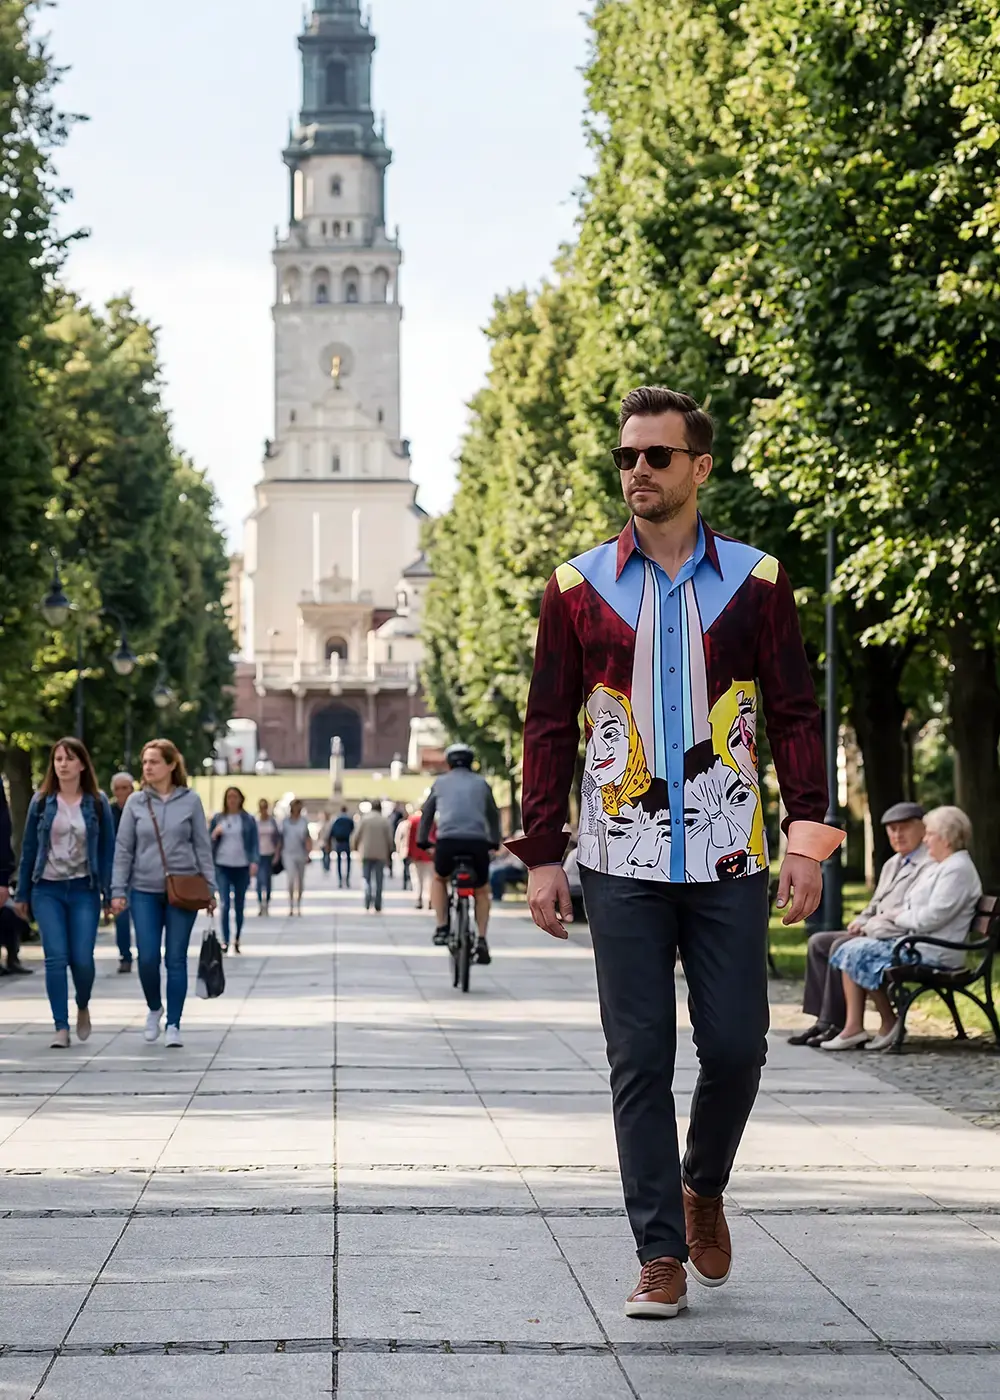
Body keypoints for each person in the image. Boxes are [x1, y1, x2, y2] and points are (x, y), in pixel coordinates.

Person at [508, 386, 844, 1319]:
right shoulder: (578, 588)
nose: (639, 473)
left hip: (730, 852)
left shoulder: (758, 581)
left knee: (737, 1047)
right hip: (620, 859)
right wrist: (544, 853)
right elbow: (547, 726)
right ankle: (658, 1249)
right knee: (639, 1056)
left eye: (657, 456)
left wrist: (807, 839)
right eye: (627, 458)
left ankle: (703, 1184)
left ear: (699, 466)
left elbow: (793, 714)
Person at [824, 805, 982, 1052]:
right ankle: (862, 1026)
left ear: (946, 837)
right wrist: (893, 917)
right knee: (853, 949)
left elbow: (932, 917)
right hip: (917, 943)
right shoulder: (944, 866)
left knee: (857, 952)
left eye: (930, 834)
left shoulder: (957, 869)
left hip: (934, 950)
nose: (926, 839)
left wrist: (897, 917)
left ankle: (888, 1022)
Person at [789, 802, 930, 1046]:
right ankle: (823, 1021)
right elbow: (875, 904)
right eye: (892, 830)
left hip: (893, 935)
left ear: (922, 829)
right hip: (876, 928)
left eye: (904, 828)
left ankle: (838, 1024)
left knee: (839, 946)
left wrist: (868, 926)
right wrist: (861, 921)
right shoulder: (893, 863)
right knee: (818, 942)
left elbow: (909, 912)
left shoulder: (928, 864)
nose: (897, 835)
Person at [111, 739, 216, 1049]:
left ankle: (174, 1023)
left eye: (154, 761)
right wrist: (117, 890)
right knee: (146, 958)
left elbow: (202, 847)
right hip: (143, 890)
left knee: (175, 959)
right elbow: (123, 849)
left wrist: (211, 888)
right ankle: (155, 1007)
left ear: (171, 765)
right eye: (145, 762)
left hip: (182, 890)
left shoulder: (191, 801)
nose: (147, 767)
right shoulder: (135, 803)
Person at [15, 738, 115, 1049]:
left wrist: (111, 894)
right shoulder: (42, 802)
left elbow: (107, 851)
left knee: (82, 960)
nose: (62, 764)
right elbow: (29, 848)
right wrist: (22, 893)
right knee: (55, 959)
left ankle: (82, 1003)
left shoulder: (96, 802)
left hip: (84, 889)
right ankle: (60, 1026)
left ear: (82, 765)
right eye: (58, 758)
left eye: (69, 759)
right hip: (47, 889)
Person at [417, 745, 502, 964]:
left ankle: (442, 926)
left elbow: (427, 813)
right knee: (482, 890)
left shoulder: (440, 783)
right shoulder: (481, 783)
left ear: (448, 763)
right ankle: (482, 939)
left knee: (439, 878)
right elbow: (493, 814)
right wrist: (494, 841)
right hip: (477, 843)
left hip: (448, 842)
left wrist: (423, 840)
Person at [209, 787, 259, 953]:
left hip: (241, 865)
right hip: (222, 864)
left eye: (235, 797)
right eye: (229, 797)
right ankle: (225, 939)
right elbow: (207, 842)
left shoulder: (247, 819)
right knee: (224, 903)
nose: (232, 800)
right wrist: (214, 834)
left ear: (240, 799)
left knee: (239, 904)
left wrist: (254, 861)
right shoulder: (218, 818)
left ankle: (236, 937)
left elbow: (254, 842)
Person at [109, 772, 136, 972]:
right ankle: (125, 956)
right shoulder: (108, 812)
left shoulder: (140, 808)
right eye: (117, 788)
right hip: (118, 871)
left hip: (141, 871)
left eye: (125, 788)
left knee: (143, 917)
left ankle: (147, 954)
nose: (121, 792)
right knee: (122, 917)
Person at [352, 799, 394, 913]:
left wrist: (355, 847)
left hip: (366, 852)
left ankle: (367, 898)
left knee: (366, 878)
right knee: (379, 880)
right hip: (380, 853)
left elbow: (356, 835)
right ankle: (378, 903)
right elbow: (389, 838)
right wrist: (390, 850)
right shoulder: (384, 821)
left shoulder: (364, 819)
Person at [280, 799, 312, 916]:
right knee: (291, 879)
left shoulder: (303, 822)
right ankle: (291, 905)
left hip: (301, 853)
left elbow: (307, 838)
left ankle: (298, 904)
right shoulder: (285, 822)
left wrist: (308, 853)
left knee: (300, 881)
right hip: (288, 853)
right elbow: (281, 839)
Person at [404, 807, 434, 910]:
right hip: (429, 854)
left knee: (417, 879)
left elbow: (410, 838)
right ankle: (430, 899)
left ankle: (419, 898)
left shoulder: (413, 820)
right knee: (430, 879)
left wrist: (409, 853)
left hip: (416, 854)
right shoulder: (433, 821)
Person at [255, 798, 280, 915]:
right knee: (259, 879)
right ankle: (261, 903)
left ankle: (267, 901)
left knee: (268, 880)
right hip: (258, 854)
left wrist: (277, 853)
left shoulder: (272, 821)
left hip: (269, 853)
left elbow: (278, 838)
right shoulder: (255, 821)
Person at [330, 806, 355, 888]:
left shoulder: (337, 820)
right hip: (346, 842)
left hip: (339, 842)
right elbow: (353, 830)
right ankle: (347, 878)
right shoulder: (349, 820)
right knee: (348, 861)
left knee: (339, 862)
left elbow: (332, 831)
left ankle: (340, 879)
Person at [394, 807, 413, 894]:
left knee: (406, 867)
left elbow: (397, 838)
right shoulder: (411, 823)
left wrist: (398, 849)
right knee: (410, 868)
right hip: (410, 849)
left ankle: (406, 883)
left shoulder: (402, 824)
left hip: (405, 849)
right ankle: (409, 883)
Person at [318, 810, 334, 874]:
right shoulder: (323, 823)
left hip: (327, 841)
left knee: (327, 855)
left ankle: (326, 867)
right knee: (324, 855)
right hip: (323, 842)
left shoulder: (329, 824)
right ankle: (325, 867)